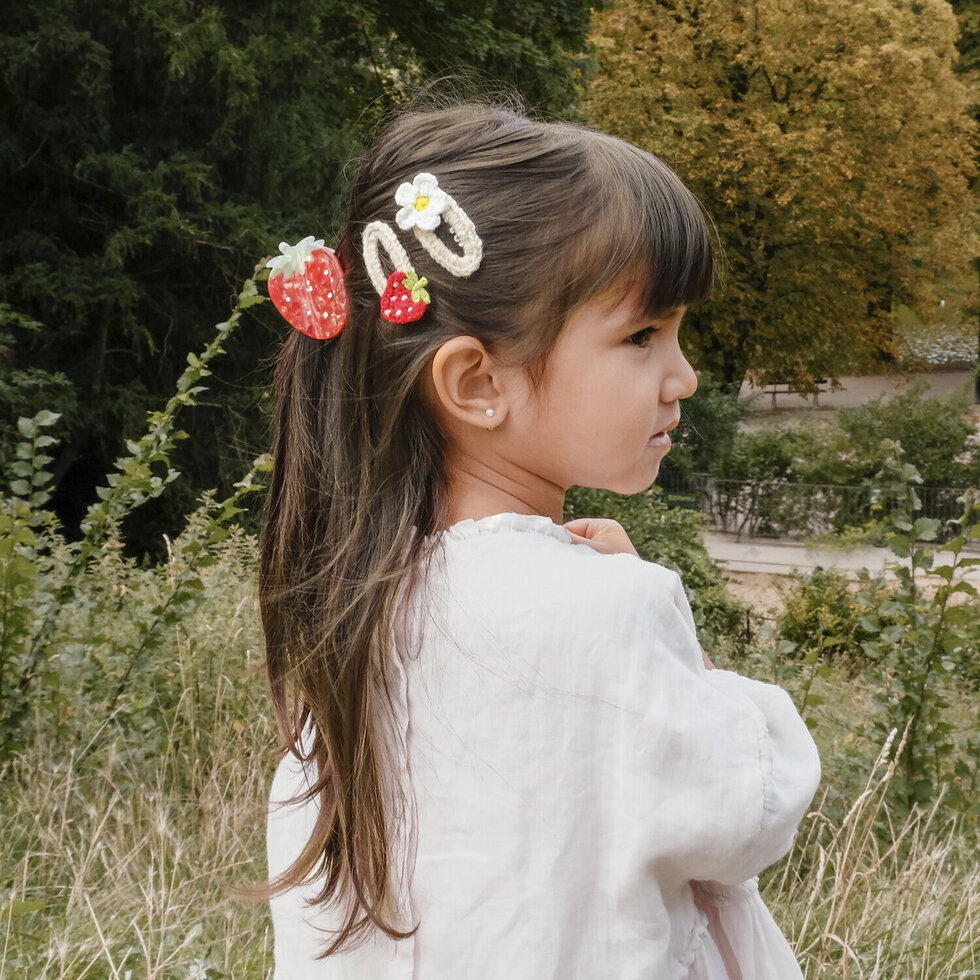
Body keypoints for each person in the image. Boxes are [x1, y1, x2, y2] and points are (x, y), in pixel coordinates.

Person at [259, 98, 821, 980]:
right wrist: (694, 662)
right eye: (641, 335)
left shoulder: (354, 619)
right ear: (478, 382)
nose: (685, 375)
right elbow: (753, 805)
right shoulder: (609, 608)